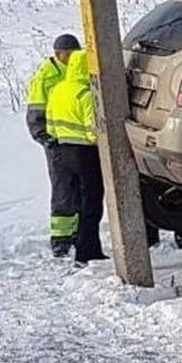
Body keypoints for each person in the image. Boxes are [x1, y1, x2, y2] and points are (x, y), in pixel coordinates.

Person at [46, 50, 107, 267]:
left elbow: (50, 126)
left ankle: (78, 245)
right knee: (91, 203)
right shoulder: (86, 94)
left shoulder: (57, 90)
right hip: (86, 155)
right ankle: (87, 250)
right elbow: (94, 130)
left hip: (62, 153)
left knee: (73, 200)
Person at [26, 34, 81, 257]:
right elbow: (35, 112)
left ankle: (78, 232)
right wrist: (44, 137)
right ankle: (60, 239)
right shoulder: (46, 77)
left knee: (80, 189)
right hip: (57, 143)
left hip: (80, 140)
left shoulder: (79, 69)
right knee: (63, 190)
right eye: (67, 54)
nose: (70, 58)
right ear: (58, 54)